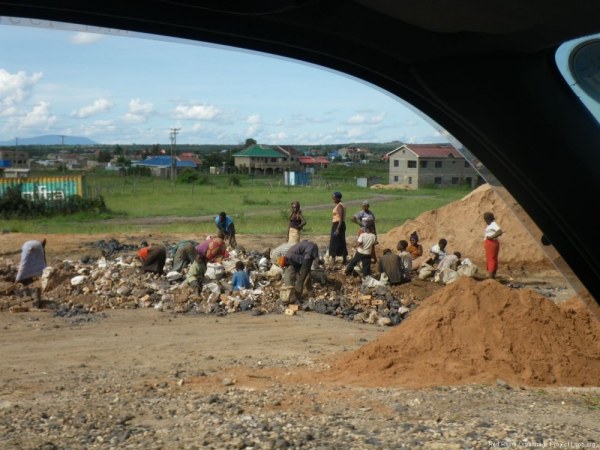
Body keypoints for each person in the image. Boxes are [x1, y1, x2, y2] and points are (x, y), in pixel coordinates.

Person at [328, 191, 348, 264]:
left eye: (334, 198)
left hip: (338, 224)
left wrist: (338, 229)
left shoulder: (340, 206)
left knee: (334, 241)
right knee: (341, 241)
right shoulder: (340, 205)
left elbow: (340, 218)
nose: (333, 200)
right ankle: (344, 258)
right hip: (339, 224)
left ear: (338, 198)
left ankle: (334, 258)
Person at [483, 211, 503, 279]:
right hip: (490, 243)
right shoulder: (490, 225)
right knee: (492, 259)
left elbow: (500, 231)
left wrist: (491, 237)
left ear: (488, 219)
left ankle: (491, 277)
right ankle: (492, 276)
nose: (485, 221)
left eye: (485, 219)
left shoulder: (493, 224)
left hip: (491, 243)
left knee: (491, 259)